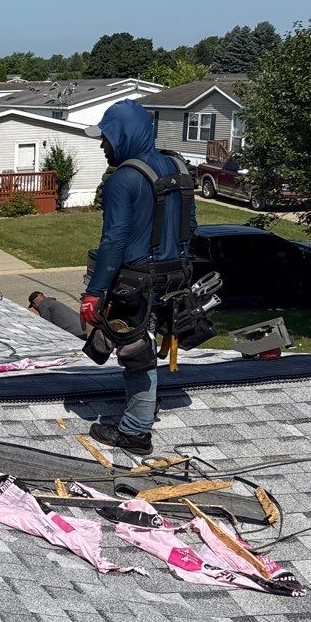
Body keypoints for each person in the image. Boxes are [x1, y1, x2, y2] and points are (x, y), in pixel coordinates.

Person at [80, 99, 197, 456]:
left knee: (134, 351)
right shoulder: (178, 167)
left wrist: (94, 293)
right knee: (145, 347)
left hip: (136, 280)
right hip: (175, 275)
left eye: (106, 138)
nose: (103, 145)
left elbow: (113, 240)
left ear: (123, 135)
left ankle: (135, 431)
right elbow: (190, 226)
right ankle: (145, 408)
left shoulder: (124, 179)